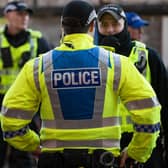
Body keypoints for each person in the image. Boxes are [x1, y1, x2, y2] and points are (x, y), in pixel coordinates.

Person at [0, 1, 161, 168]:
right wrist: (137, 152)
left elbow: (10, 122)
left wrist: (35, 146)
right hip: (103, 161)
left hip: (54, 161)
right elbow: (149, 114)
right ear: (92, 26)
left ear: (62, 27)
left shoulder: (38, 67)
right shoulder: (117, 64)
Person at [95, 3, 168, 168]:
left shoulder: (149, 57)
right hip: (103, 146)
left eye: (115, 24)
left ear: (125, 26)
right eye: (104, 25)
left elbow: (165, 102)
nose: (110, 30)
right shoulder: (90, 60)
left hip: (145, 144)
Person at [0, 1, 51, 168]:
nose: (25, 17)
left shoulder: (38, 41)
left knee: (24, 157)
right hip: (1, 106)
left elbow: (49, 73)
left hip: (29, 108)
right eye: (20, 13)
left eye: (27, 14)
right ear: (7, 15)